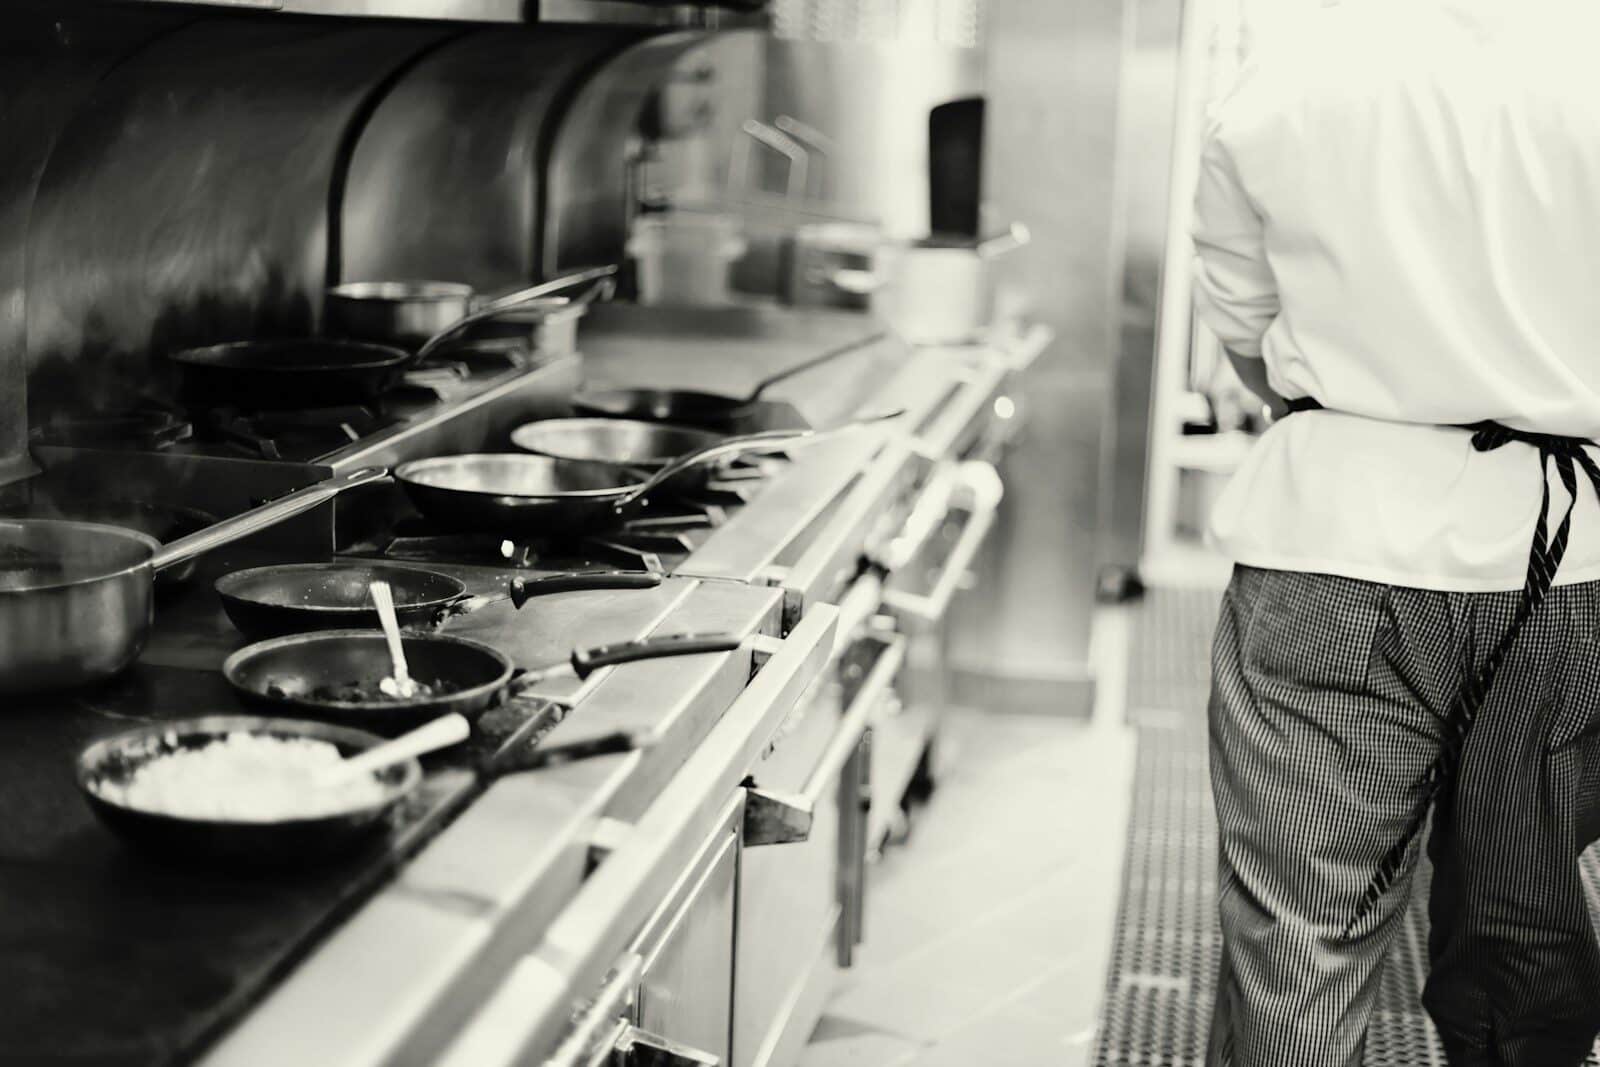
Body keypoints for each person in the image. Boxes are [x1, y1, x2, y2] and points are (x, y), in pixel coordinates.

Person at [1190, 1, 1600, 1064]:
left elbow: (1241, 332)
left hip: (1330, 549)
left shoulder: (1285, 77)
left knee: (1298, 930)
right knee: (1529, 925)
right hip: (1571, 572)